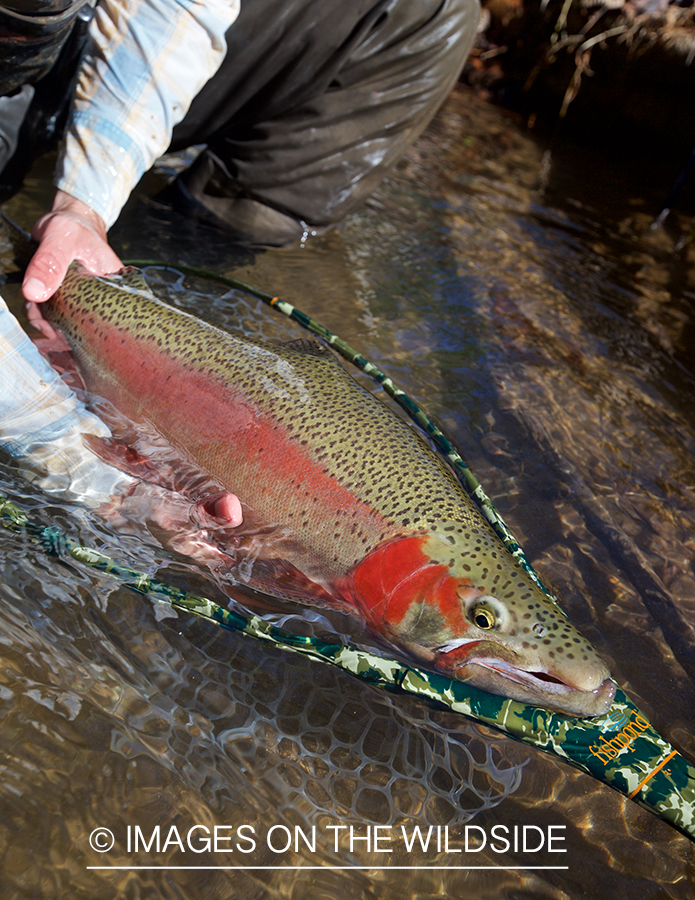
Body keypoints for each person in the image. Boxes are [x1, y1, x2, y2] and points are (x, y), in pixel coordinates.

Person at [0, 0, 479, 505]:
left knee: (433, 8)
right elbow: (57, 440)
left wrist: (84, 206)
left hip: (100, 34)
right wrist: (75, 453)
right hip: (14, 61)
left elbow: (175, 10)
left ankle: (171, 265)